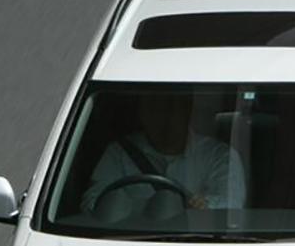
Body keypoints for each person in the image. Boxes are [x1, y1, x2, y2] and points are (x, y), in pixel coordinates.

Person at [80, 90, 244, 222]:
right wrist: (124, 205)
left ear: (187, 111)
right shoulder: (119, 153)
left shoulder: (219, 155)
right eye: (155, 109)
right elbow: (91, 202)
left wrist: (201, 206)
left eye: (172, 108)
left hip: (196, 243)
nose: (164, 118)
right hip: (129, 240)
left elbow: (231, 205)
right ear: (142, 113)